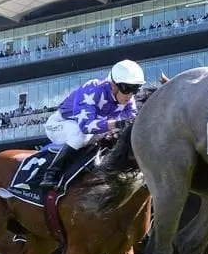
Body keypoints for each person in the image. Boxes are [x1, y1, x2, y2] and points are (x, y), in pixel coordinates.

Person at [39, 59, 145, 190]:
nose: (130, 95)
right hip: (60, 124)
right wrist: (117, 124)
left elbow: (130, 123)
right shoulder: (92, 89)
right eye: (127, 88)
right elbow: (86, 126)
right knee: (81, 134)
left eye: (135, 89)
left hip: (93, 130)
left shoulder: (129, 100)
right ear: (114, 85)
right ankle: (51, 173)